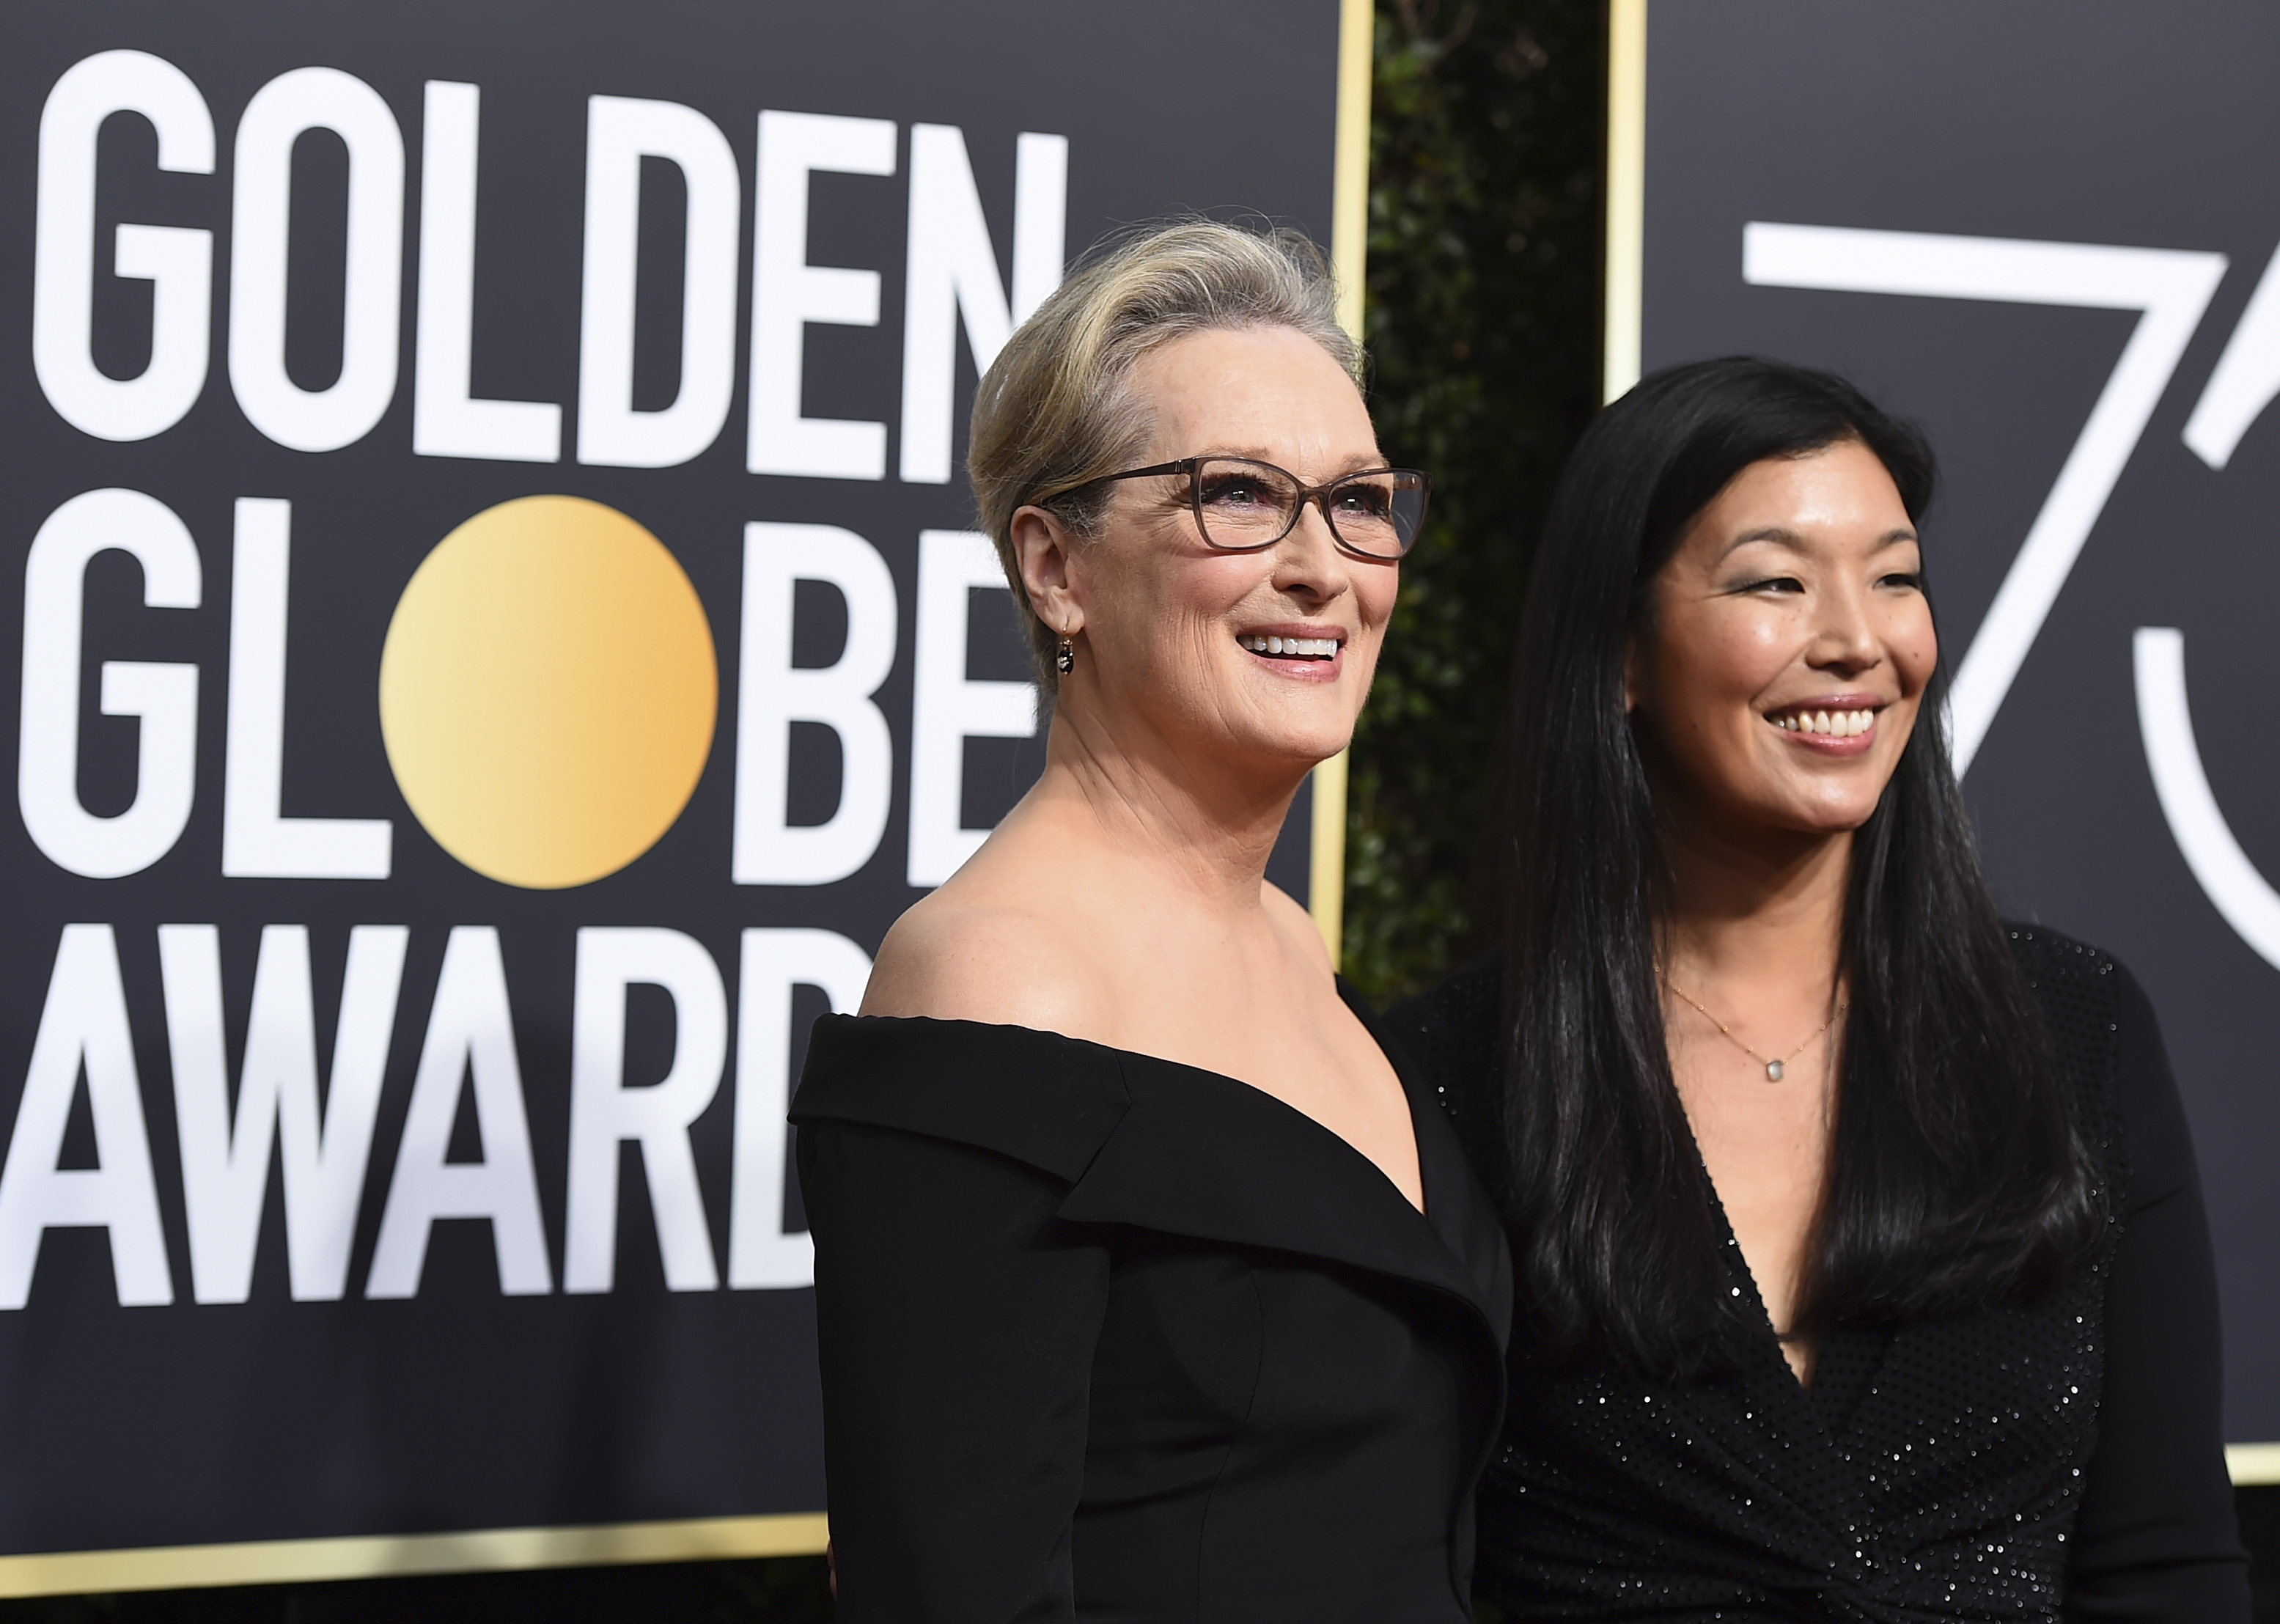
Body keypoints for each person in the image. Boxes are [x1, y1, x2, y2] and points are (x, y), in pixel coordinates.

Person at [1390, 357, 2249, 1620]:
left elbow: (2163, 1563)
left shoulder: (2075, 1031)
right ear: (1619, 653)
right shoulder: (1442, 1083)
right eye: (1776, 582)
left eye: (1895, 577)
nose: (1856, 641)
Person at [790, 221, 1511, 1623]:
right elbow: (951, 1591)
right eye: (1236, 495)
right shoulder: (993, 978)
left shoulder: (1297, 947)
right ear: (1057, 568)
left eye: (1359, 501)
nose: (1323, 566)